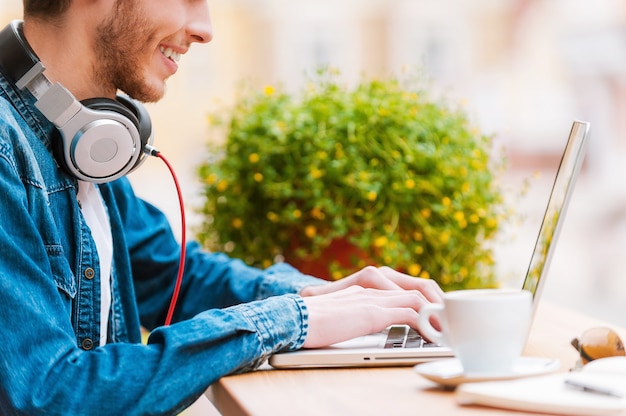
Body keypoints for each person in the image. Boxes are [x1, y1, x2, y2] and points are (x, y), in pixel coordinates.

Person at [0, 1, 444, 414]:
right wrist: (291, 319)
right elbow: (49, 393)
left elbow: (173, 278)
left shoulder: (78, 138)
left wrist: (320, 299)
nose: (204, 30)